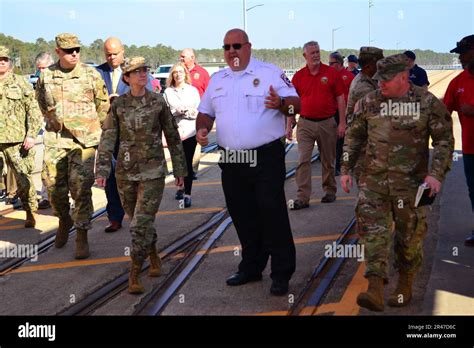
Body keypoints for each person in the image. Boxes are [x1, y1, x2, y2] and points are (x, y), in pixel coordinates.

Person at [341, 54, 454, 312]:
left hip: (411, 186)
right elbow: (353, 137)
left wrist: (436, 174)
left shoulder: (426, 103)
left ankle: (405, 284)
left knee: (409, 238)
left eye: (387, 80)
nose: (381, 84)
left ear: (403, 77)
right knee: (373, 234)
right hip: (374, 183)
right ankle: (375, 288)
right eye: (379, 80)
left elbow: (444, 140)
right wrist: (346, 168)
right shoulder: (369, 102)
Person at [196, 28, 300, 296]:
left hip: (265, 156)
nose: (231, 51)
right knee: (242, 214)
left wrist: (280, 104)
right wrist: (202, 129)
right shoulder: (218, 79)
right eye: (227, 47)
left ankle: (281, 273)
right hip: (231, 158)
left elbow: (296, 105)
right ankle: (251, 267)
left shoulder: (268, 73)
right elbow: (205, 112)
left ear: (248, 47)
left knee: (272, 212)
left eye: (236, 46)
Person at [95, 56, 187, 294]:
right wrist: (102, 169)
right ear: (127, 77)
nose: (142, 74)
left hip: (153, 172)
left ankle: (135, 271)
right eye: (136, 72)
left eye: (145, 70)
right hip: (125, 174)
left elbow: (173, 136)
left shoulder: (158, 102)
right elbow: (107, 138)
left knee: (139, 224)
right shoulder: (118, 105)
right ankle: (154, 254)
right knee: (139, 220)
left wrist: (180, 170)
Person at [36, 33, 110, 259]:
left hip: (84, 142)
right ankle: (63, 219)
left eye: (77, 49)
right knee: (53, 186)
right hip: (56, 140)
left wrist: (94, 131)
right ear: (58, 52)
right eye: (69, 51)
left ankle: (81, 234)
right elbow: (41, 103)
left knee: (80, 188)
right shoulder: (46, 77)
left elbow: (103, 105)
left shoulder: (90, 74)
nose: (74, 54)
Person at [290, 41, 346, 210]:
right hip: (305, 124)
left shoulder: (331, 73)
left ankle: (329, 191)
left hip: (327, 123)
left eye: (317, 52)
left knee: (328, 160)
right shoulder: (298, 76)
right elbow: (292, 101)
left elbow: (340, 99)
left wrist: (342, 123)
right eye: (312, 53)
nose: (315, 55)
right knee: (303, 160)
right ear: (304, 56)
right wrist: (289, 122)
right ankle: (302, 197)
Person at [0, 45, 42, 227]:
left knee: (23, 179)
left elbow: (34, 111)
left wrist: (31, 135)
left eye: (4, 60)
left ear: (10, 63)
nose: (1, 63)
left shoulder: (21, 83)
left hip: (16, 140)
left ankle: (30, 211)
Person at [444, 34, 474, 247]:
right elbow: (442, 114)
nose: (461, 58)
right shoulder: (458, 82)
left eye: (463, 53)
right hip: (471, 150)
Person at [345, 46, 384, 183]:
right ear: (368, 66)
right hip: (364, 149)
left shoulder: (370, 80)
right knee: (367, 192)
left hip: (368, 145)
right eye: (378, 64)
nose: (381, 67)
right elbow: (379, 116)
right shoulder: (363, 87)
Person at [164, 62, 200, 207]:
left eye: (180, 72)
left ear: (185, 73)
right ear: (172, 75)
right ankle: (180, 186)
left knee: (187, 163)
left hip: (190, 131)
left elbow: (197, 111)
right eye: (175, 72)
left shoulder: (192, 91)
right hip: (174, 132)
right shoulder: (168, 92)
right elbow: (167, 112)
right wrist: (176, 111)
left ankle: (187, 194)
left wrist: (185, 112)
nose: (178, 74)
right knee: (178, 163)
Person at [180, 48, 211, 180]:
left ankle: (192, 169)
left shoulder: (202, 73)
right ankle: (183, 170)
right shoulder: (178, 72)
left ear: (192, 58)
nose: (181, 59)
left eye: (183, 57)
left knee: (196, 142)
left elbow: (209, 93)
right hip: (181, 116)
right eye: (180, 57)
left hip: (198, 114)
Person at [34, 52, 55, 210]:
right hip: (48, 129)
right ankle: (47, 196)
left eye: (43, 68)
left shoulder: (60, 79)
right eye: (38, 69)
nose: (41, 72)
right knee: (46, 166)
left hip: (67, 132)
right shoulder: (40, 84)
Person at [329, 51, 354, 176]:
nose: (328, 65)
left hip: (344, 112)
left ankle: (340, 166)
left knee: (342, 141)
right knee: (331, 141)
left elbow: (353, 96)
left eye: (330, 63)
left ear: (338, 64)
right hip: (331, 112)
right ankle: (332, 164)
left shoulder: (349, 76)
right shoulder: (329, 76)